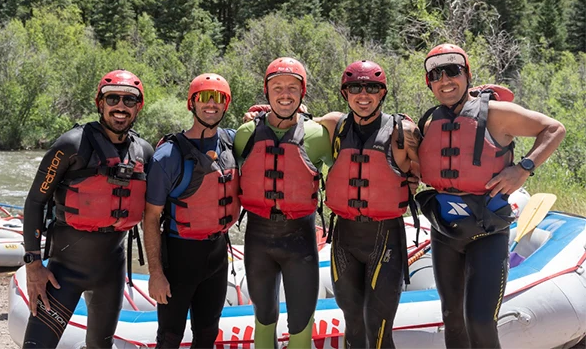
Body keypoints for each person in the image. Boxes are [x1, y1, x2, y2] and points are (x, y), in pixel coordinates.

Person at [415, 43, 566, 349]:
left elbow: (554, 129)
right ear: (429, 82)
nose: (446, 80)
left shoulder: (497, 113)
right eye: (436, 74)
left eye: (453, 71)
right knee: (452, 319)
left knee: (481, 321)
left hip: (489, 231)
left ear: (467, 74)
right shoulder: (429, 121)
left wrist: (523, 168)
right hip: (445, 233)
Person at [22, 70, 154, 349]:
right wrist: (34, 266)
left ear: (138, 107)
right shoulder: (71, 145)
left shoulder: (144, 152)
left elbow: (154, 214)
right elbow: (35, 201)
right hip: (63, 273)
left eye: (129, 100)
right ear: (100, 103)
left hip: (111, 272)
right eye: (113, 99)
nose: (121, 106)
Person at [313, 60, 421, 349]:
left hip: (385, 238)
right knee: (354, 325)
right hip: (344, 238)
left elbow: (430, 170)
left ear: (382, 93)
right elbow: (294, 123)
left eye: (372, 88)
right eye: (355, 88)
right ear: (345, 93)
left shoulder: (404, 132)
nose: (363, 95)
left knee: (379, 329)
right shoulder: (335, 124)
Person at [233, 57, 333, 349]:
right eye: (277, 87)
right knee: (263, 320)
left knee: (301, 324)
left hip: (300, 242)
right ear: (266, 91)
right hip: (257, 240)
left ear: (303, 94)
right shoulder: (245, 134)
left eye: (292, 87)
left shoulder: (317, 135)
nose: (285, 93)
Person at [143, 73, 238, 349]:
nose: (211, 104)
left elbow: (268, 129)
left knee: (207, 335)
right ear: (191, 104)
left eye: (218, 98)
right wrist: (156, 273)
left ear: (226, 104)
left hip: (217, 256)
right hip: (179, 257)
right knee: (170, 337)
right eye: (204, 97)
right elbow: (150, 218)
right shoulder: (168, 156)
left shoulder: (232, 142)